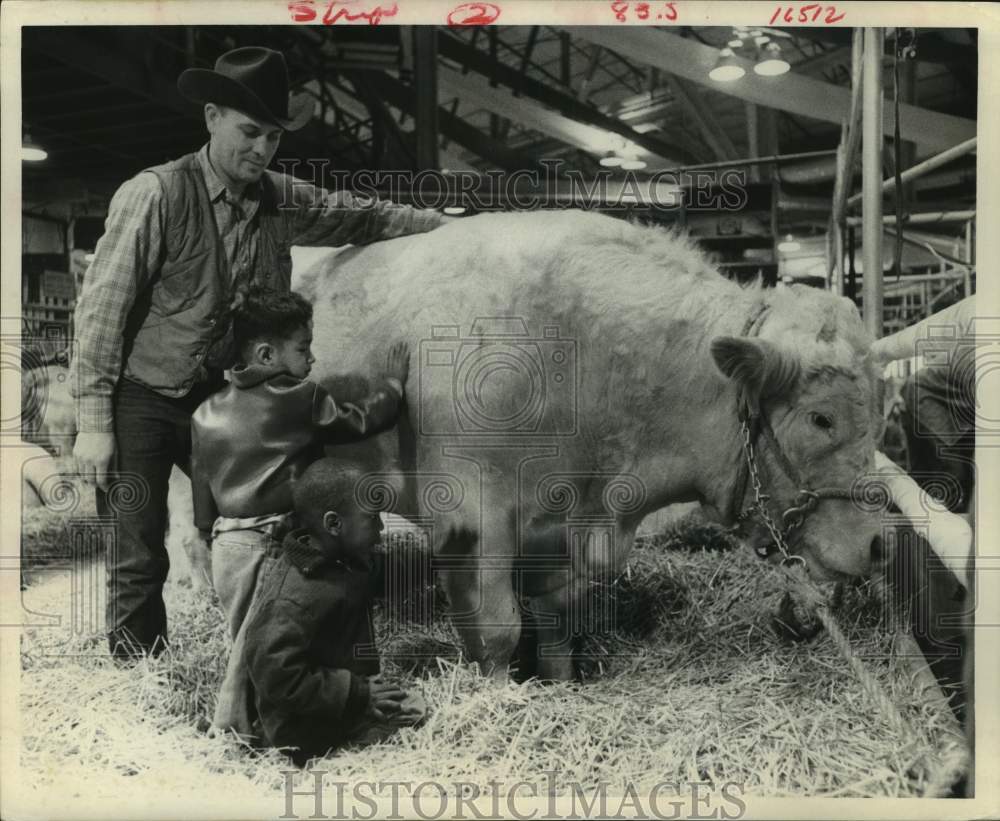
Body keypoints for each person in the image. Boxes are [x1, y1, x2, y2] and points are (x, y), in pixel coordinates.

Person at [69, 45, 447, 659]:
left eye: (272, 137)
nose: (261, 150)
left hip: (221, 399)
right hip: (141, 395)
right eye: (249, 132)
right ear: (212, 116)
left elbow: (364, 216)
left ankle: (287, 650)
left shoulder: (278, 196)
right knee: (138, 548)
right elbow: (102, 311)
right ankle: (138, 671)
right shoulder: (155, 195)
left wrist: (450, 227)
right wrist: (92, 423)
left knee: (286, 513)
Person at [189, 286, 408, 733]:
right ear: (267, 354)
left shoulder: (203, 413)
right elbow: (357, 419)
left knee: (245, 638)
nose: (312, 359)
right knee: (275, 637)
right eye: (304, 348)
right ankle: (249, 731)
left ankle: (247, 723)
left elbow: (202, 479)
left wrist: (203, 530)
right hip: (274, 541)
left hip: (227, 544)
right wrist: (393, 387)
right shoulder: (300, 397)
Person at [244, 457, 426, 765]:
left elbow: (378, 574)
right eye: (372, 519)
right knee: (412, 716)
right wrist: (358, 694)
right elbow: (277, 677)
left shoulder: (340, 559)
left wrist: (435, 562)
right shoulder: (293, 597)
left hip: (340, 700)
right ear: (334, 524)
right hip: (302, 728)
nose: (381, 528)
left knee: (410, 707)